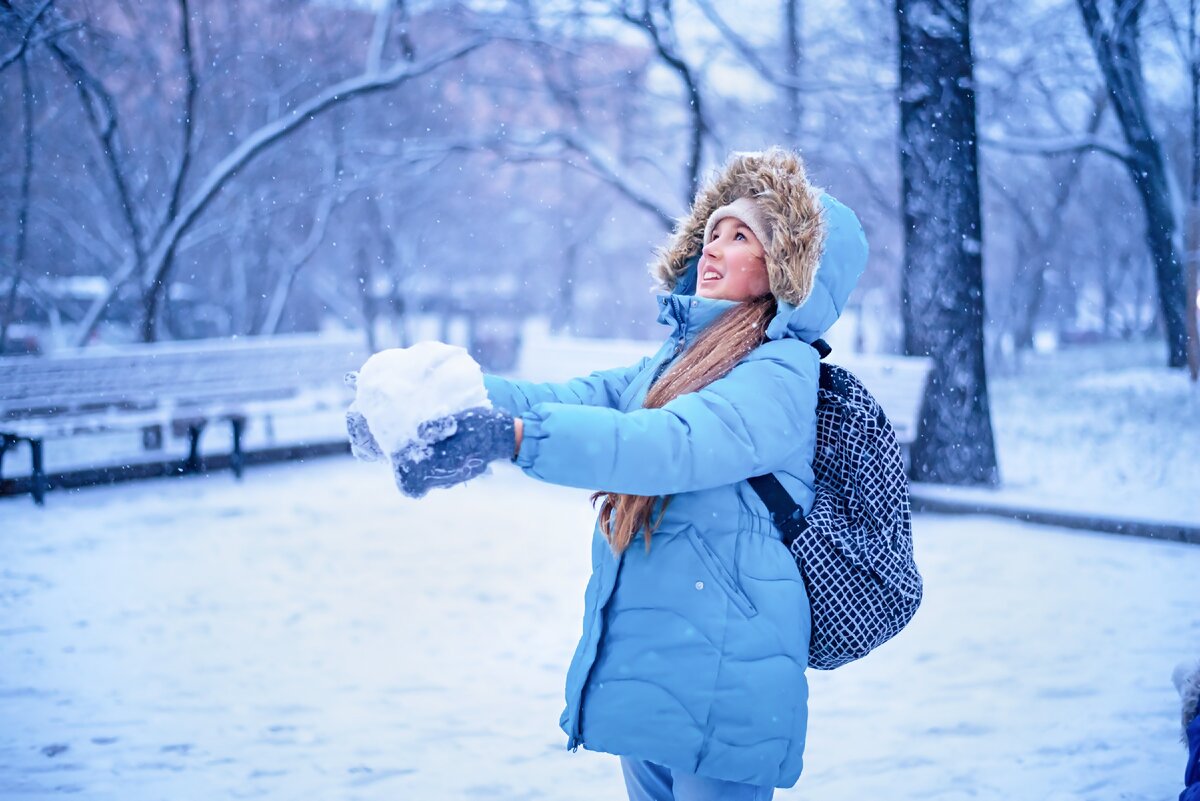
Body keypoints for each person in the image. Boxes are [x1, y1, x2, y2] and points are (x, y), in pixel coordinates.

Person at [350, 148, 868, 800]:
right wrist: (427, 402)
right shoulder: (675, 361)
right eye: (712, 233)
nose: (713, 249)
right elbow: (566, 397)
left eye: (742, 237)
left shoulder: (779, 373)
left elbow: (666, 446)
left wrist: (513, 440)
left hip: (725, 680)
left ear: (788, 267)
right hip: (657, 669)